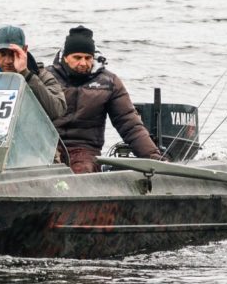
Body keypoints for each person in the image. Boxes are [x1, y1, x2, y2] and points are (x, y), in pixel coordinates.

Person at [48, 25, 162, 173]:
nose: (83, 63)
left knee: (82, 170)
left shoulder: (109, 83)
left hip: (85, 150)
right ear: (65, 57)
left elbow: (129, 124)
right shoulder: (46, 77)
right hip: (47, 145)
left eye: (88, 58)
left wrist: (154, 158)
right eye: (77, 58)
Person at [0, 25, 67, 120]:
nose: (8, 61)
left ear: (25, 50)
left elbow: (58, 111)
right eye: (3, 53)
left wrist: (26, 74)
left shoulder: (41, 75)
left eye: (13, 54)